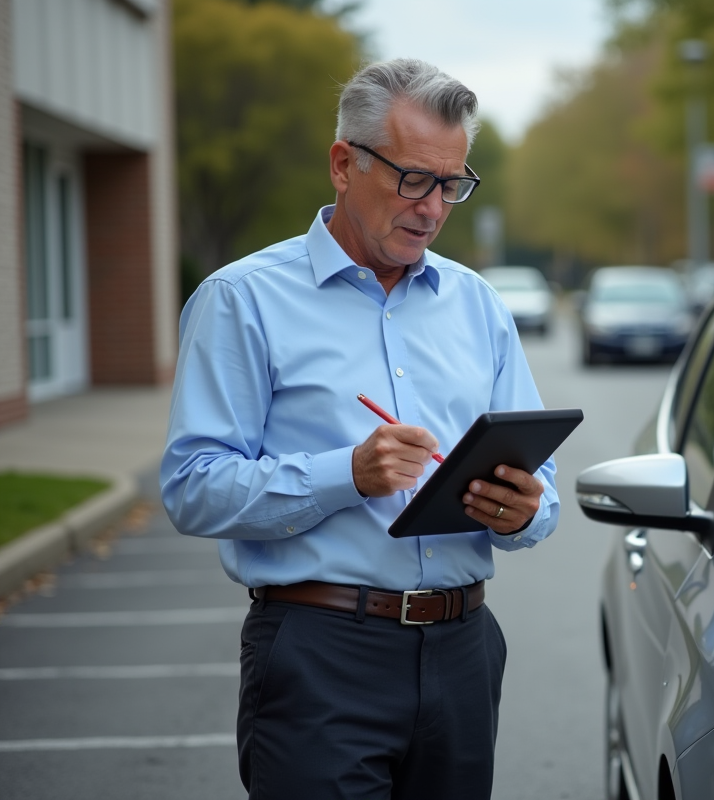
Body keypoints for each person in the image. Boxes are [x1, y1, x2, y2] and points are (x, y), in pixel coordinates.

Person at [160, 58, 558, 800]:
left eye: (453, 184)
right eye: (414, 179)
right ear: (344, 165)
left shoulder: (478, 306)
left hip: (465, 650)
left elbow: (544, 488)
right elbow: (191, 489)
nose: (433, 208)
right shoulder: (242, 301)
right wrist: (347, 473)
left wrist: (527, 510)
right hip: (320, 655)